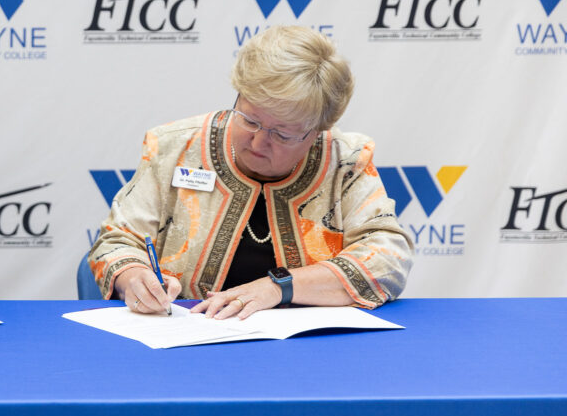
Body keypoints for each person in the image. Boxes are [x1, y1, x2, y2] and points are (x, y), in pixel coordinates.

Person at [88, 25, 413, 319]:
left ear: (318, 132)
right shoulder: (175, 147)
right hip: (185, 337)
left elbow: (387, 257)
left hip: (307, 348)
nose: (259, 141)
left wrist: (279, 287)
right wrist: (132, 277)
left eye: (282, 134)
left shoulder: (345, 160)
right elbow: (117, 241)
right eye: (250, 119)